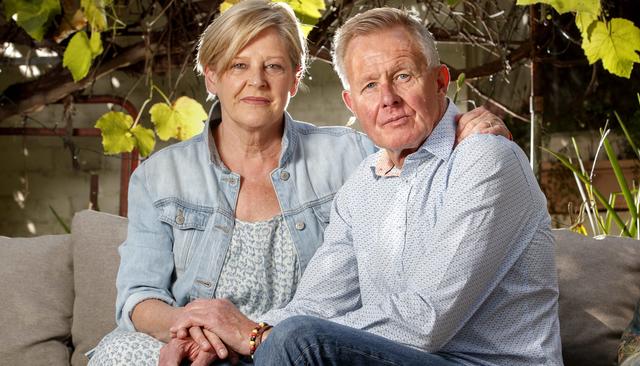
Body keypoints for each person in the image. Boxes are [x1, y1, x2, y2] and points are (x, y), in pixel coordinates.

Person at [88, 1, 511, 365]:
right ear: (211, 76)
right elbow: (138, 296)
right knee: (120, 352)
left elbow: (413, 139)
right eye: (239, 65)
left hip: (299, 343)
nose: (256, 80)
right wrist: (198, 332)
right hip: (218, 342)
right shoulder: (159, 176)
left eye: (273, 66)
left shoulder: (354, 156)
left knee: (293, 346)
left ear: (295, 78)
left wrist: (464, 128)